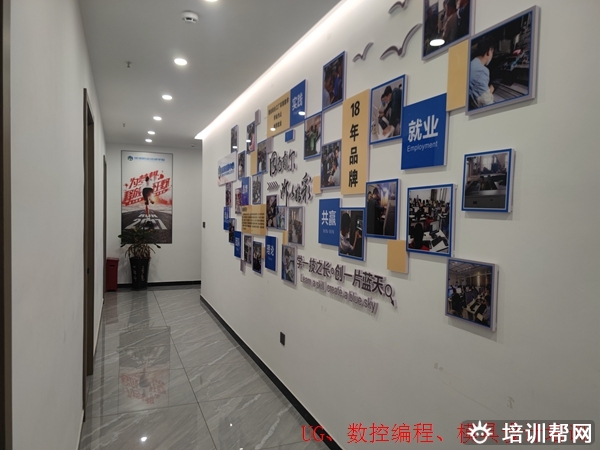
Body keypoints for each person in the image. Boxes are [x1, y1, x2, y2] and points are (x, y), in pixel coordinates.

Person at [469, 37, 495, 108]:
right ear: (489, 51)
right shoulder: (482, 71)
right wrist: (490, 92)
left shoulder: (471, 64)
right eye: (492, 52)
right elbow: (487, 103)